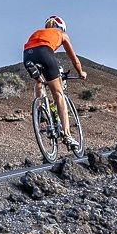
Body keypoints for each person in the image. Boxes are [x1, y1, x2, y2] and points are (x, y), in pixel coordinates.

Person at [22, 15, 87, 148]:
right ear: (61, 27)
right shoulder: (61, 34)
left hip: (27, 54)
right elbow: (74, 59)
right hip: (44, 53)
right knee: (58, 94)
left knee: (40, 81)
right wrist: (81, 72)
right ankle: (67, 135)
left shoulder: (37, 32)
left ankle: (40, 108)